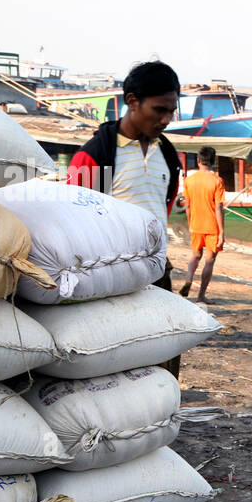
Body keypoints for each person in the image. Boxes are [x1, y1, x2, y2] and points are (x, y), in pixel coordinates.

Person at [68, 61, 182, 377]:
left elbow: (165, 205)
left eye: (171, 111)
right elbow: (75, 218)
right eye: (159, 110)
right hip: (112, 276)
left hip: (157, 272)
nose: (166, 119)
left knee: (163, 358)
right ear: (132, 101)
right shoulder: (96, 155)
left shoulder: (168, 156)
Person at [179, 146, 226, 304]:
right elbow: (219, 208)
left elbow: (188, 206)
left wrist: (190, 223)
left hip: (196, 225)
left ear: (198, 160)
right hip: (212, 226)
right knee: (209, 260)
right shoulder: (217, 181)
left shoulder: (189, 180)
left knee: (195, 255)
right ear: (213, 162)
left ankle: (189, 279)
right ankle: (200, 296)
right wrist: (221, 232)